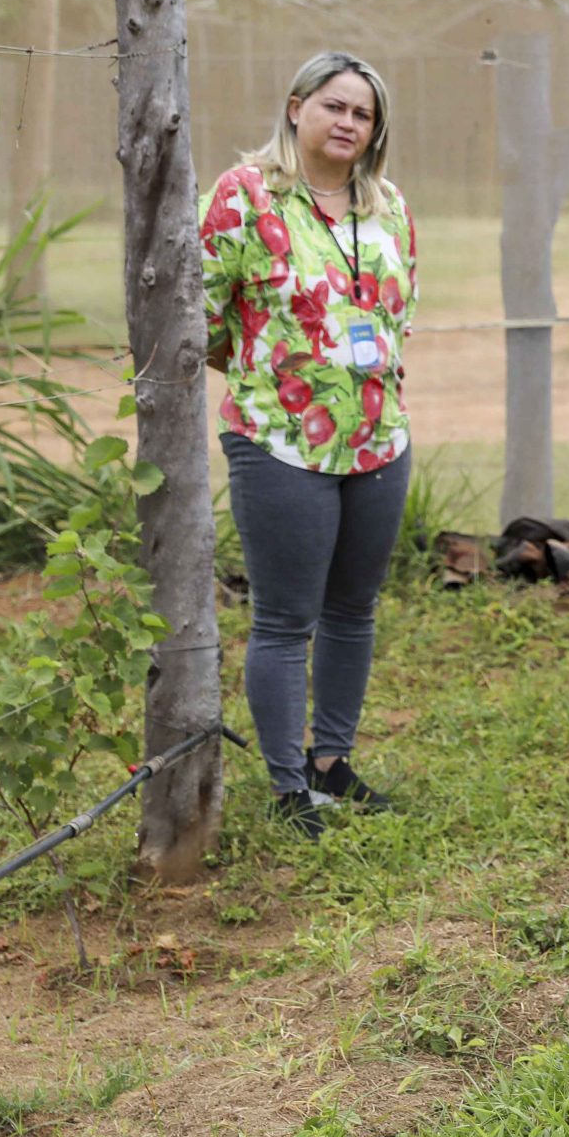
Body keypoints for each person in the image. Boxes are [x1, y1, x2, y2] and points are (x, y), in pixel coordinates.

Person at [200, 51, 416, 836]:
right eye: (334, 105)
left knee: (353, 609)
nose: (348, 122)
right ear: (296, 107)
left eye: (363, 113)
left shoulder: (387, 204)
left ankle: (334, 762)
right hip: (280, 438)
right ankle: (290, 787)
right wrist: (275, 376)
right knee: (287, 618)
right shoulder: (245, 195)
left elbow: (398, 314)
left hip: (378, 438)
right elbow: (203, 314)